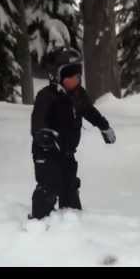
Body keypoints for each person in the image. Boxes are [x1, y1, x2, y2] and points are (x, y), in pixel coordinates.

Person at [29, 47, 116, 220]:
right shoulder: (47, 96)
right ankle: (38, 222)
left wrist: (103, 126)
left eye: (77, 74)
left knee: (69, 186)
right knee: (49, 185)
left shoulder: (78, 95)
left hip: (67, 153)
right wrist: (43, 134)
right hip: (47, 152)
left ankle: (71, 224)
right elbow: (37, 121)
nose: (75, 79)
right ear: (57, 76)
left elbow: (89, 111)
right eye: (69, 75)